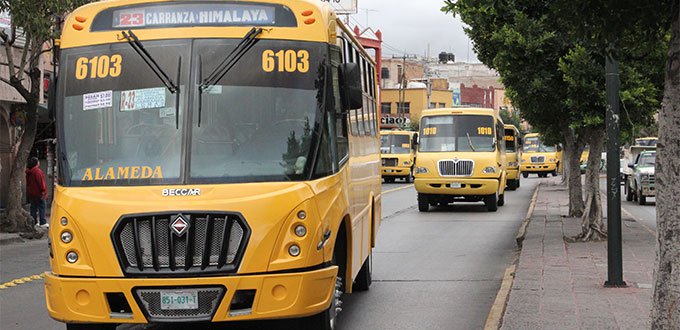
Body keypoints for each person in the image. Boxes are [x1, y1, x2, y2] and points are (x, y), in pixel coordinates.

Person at [26, 156, 48, 227]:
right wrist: (43, 191)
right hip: (39, 193)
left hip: (32, 192)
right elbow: (41, 182)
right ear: (36, 163)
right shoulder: (37, 171)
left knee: (33, 207)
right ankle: (43, 222)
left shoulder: (29, 172)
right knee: (42, 206)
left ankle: (34, 222)